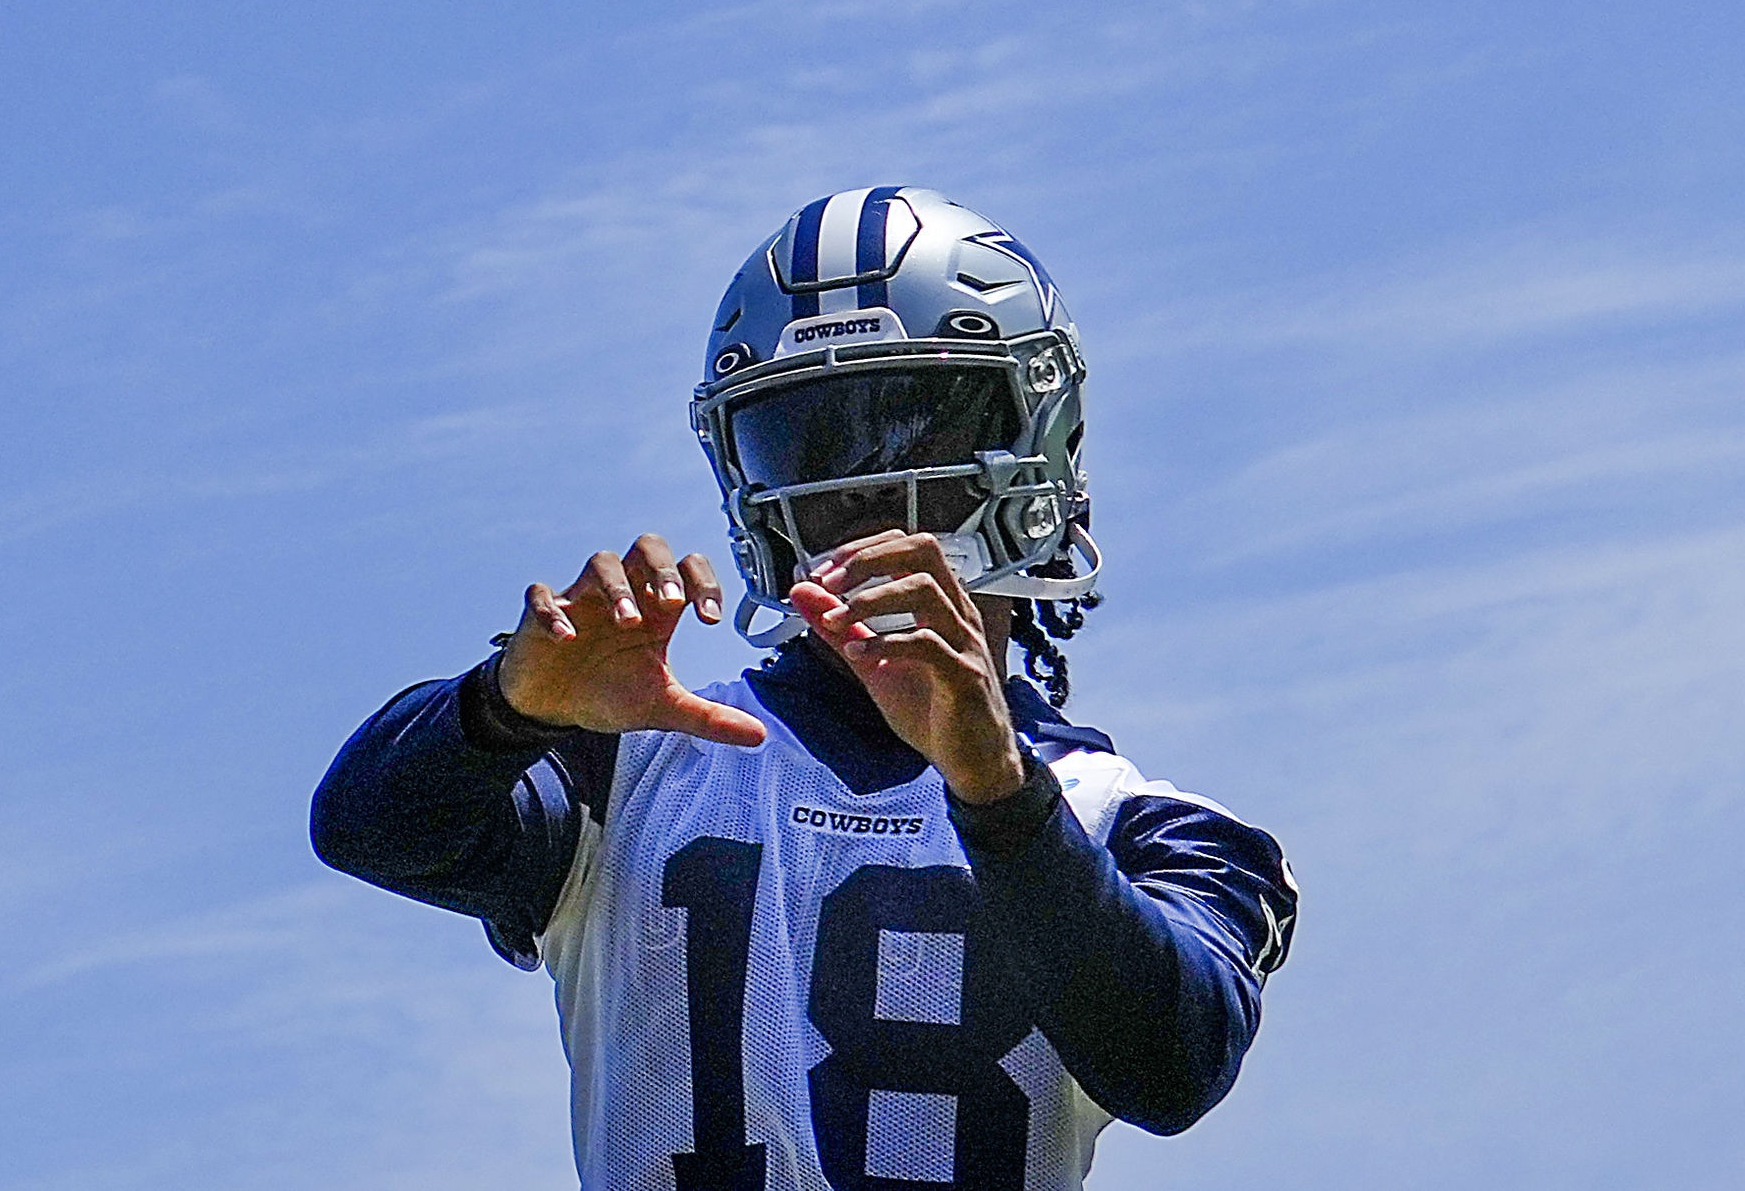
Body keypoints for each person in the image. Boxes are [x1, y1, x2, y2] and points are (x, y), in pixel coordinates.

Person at [310, 188, 1294, 1190]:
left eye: (917, 425)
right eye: (809, 440)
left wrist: (999, 791)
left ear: (1037, 443)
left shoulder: (1145, 826)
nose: (864, 485)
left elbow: (1172, 1066)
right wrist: (502, 704)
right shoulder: (628, 760)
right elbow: (368, 828)